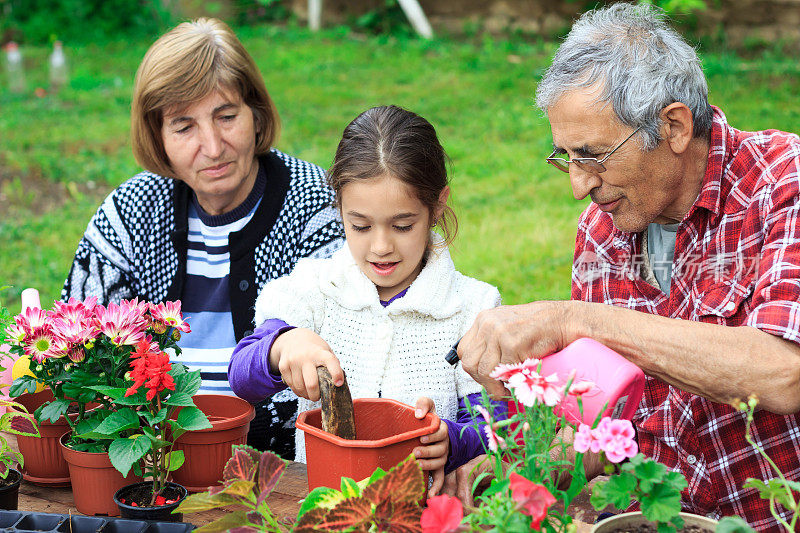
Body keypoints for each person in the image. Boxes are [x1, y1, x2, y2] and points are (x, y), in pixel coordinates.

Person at [455, 4, 800, 530]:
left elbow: (783, 373)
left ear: (675, 126)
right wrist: (513, 466)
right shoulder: (600, 232)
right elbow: (597, 423)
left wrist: (578, 321)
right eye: (564, 157)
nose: (579, 185)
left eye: (593, 155)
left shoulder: (782, 181)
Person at [61, 18, 343, 459]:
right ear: (158, 136)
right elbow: (73, 349)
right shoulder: (131, 213)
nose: (212, 147)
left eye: (226, 116)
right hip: (149, 464)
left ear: (257, 115)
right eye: (183, 125)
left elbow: (354, 352)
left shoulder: (314, 207)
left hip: (281, 469)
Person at [229, 105, 505, 495]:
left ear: (438, 206)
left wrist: (453, 440)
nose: (380, 246)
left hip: (419, 513)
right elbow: (242, 376)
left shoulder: (472, 308)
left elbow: (497, 418)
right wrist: (283, 344)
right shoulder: (314, 287)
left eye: (402, 225)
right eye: (359, 225)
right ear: (339, 207)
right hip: (323, 508)